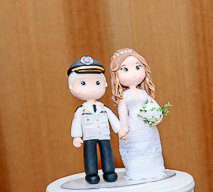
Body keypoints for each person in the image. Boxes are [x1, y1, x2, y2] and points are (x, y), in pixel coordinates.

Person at [110, 48, 166, 181]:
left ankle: (154, 170)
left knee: (149, 147)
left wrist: (157, 115)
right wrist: (123, 126)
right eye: (125, 69)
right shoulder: (124, 96)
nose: (133, 73)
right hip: (133, 127)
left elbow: (153, 105)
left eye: (137, 67)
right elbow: (122, 113)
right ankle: (137, 172)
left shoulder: (143, 94)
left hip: (147, 127)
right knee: (135, 149)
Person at [67, 56, 120, 184]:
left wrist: (119, 129)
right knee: (90, 155)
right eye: (83, 83)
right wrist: (76, 136)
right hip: (89, 136)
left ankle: (109, 172)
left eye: (97, 83)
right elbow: (76, 123)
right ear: (71, 87)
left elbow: (113, 119)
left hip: (104, 135)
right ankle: (91, 174)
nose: (92, 88)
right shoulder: (81, 110)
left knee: (107, 153)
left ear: (105, 84)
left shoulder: (104, 108)